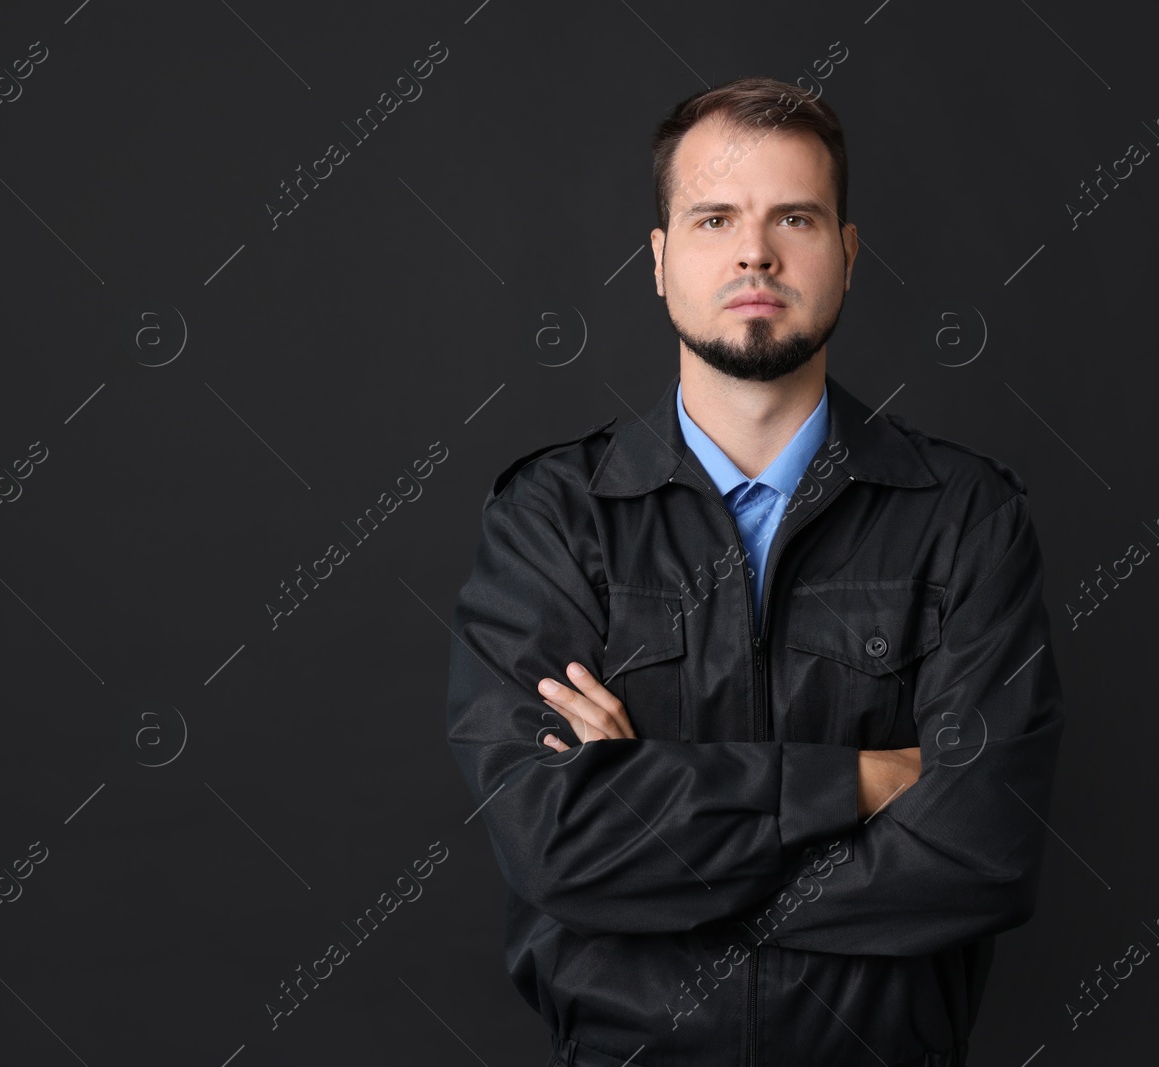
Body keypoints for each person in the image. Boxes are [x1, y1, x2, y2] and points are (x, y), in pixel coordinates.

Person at [446, 75, 1067, 1067]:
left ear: (847, 254)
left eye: (795, 217)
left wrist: (654, 848)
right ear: (658, 261)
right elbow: (552, 841)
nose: (754, 251)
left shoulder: (962, 516)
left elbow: (983, 850)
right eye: (713, 218)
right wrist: (857, 783)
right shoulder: (554, 518)